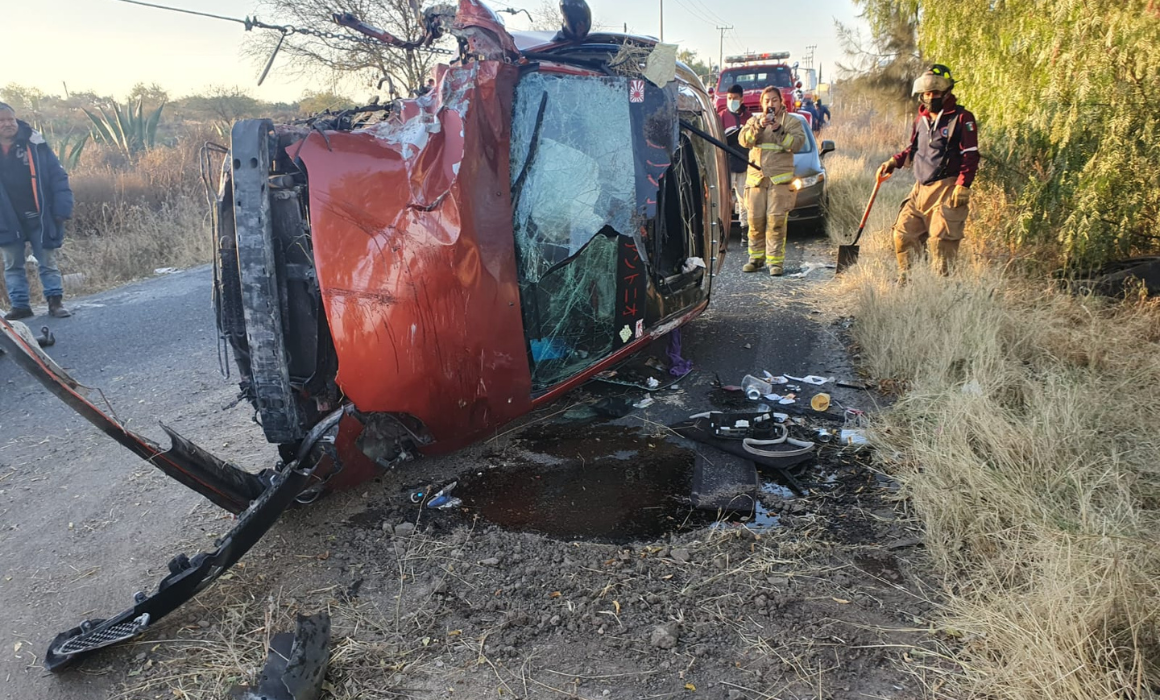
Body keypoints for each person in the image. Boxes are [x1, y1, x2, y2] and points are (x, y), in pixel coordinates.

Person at [877, 64, 978, 278]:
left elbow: (971, 154)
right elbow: (914, 149)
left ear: (947, 92)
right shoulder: (920, 120)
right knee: (903, 234)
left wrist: (963, 184)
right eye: (927, 93)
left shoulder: (962, 118)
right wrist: (894, 162)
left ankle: (941, 290)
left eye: (936, 93)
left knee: (941, 243)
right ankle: (910, 283)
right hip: (919, 189)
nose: (931, 97)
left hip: (946, 189)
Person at [0, 103, 73, 320]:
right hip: (6, 219)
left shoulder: (35, 144)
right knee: (12, 265)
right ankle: (20, 306)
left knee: (47, 261)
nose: (7, 124)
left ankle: (55, 302)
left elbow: (58, 176)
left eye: (10, 119)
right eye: (1, 121)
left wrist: (62, 208)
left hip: (40, 215)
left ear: (16, 119)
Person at [738, 86, 806, 276]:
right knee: (755, 221)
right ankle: (755, 259)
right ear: (762, 103)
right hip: (756, 181)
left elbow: (796, 144)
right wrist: (759, 125)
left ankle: (775, 262)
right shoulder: (753, 121)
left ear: (781, 102)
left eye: (774, 100)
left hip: (779, 183)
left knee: (776, 222)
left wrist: (778, 129)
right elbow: (744, 141)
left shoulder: (790, 122)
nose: (770, 104)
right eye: (767, 101)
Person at [716, 84, 751, 232]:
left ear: (742, 99)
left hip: (744, 163)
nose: (731, 101)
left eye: (735, 98)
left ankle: (744, 229)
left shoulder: (749, 117)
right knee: (725, 199)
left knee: (745, 199)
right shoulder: (721, 116)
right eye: (729, 98)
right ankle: (724, 232)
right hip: (726, 164)